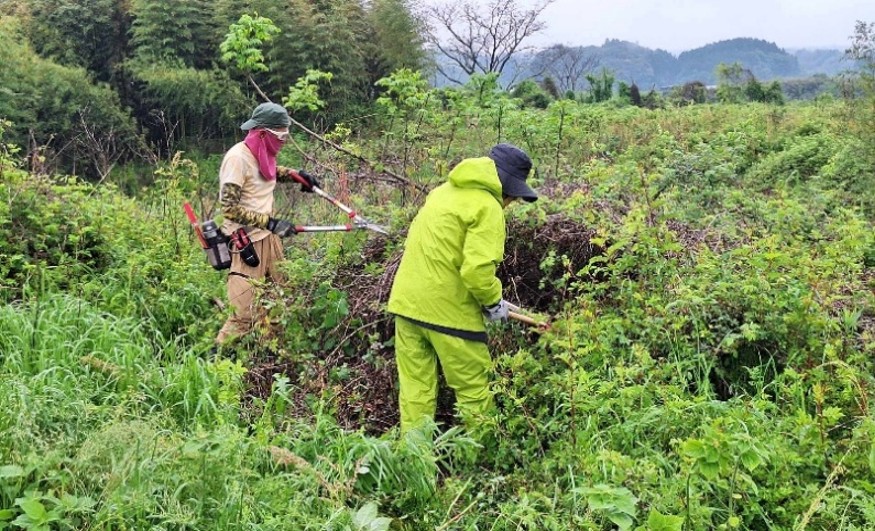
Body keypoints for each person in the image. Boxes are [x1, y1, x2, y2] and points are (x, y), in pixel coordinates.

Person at [387, 143, 538, 434]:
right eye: (514, 197)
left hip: (406, 307)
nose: (511, 203)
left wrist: (492, 302)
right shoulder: (488, 207)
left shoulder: (442, 192)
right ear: (506, 187)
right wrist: (494, 304)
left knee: (415, 396)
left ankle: (414, 468)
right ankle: (480, 467)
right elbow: (477, 272)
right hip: (449, 315)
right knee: (474, 393)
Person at [215, 102, 319, 345]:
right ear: (262, 133)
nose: (284, 141)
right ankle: (214, 366)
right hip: (246, 244)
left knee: (281, 301)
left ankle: (271, 356)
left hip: (269, 241)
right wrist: (269, 223)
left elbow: (268, 172)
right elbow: (229, 208)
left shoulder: (260, 153)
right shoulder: (237, 159)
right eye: (281, 135)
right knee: (243, 315)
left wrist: (296, 176)